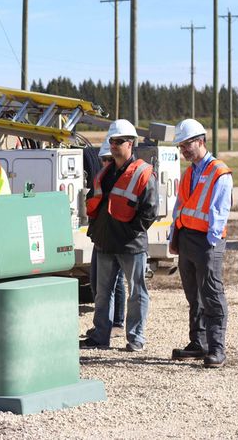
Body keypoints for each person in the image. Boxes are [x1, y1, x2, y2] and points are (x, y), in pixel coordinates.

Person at [80, 119, 158, 352]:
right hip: (105, 242)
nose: (114, 145)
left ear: (131, 144)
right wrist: (97, 230)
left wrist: (130, 232)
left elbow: (150, 210)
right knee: (102, 293)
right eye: (112, 141)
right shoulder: (105, 173)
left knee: (137, 292)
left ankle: (136, 338)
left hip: (130, 245)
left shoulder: (143, 173)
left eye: (119, 141)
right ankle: (101, 335)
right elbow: (95, 203)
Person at [168, 119, 233, 368]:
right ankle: (198, 343)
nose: (184, 150)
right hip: (186, 241)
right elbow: (180, 207)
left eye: (187, 144)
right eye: (181, 146)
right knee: (193, 296)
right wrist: (175, 237)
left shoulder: (219, 172)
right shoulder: (189, 172)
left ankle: (216, 349)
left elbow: (219, 211)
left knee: (212, 295)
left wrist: (211, 245)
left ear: (201, 141)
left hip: (207, 243)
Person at [88, 138, 126, 331]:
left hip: (118, 237)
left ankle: (117, 322)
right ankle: (104, 324)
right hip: (101, 236)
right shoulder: (101, 178)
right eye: (103, 159)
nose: (106, 163)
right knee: (98, 283)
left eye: (109, 159)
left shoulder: (121, 178)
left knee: (116, 281)